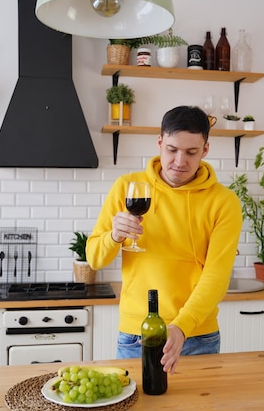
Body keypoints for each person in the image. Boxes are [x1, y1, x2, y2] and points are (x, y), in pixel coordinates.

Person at [86, 105, 242, 375]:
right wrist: (114, 236)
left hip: (197, 336)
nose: (180, 161)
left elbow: (216, 276)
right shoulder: (127, 187)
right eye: (172, 149)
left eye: (191, 152)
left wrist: (181, 327)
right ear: (159, 142)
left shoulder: (224, 202)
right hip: (137, 333)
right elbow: (94, 259)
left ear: (205, 150)